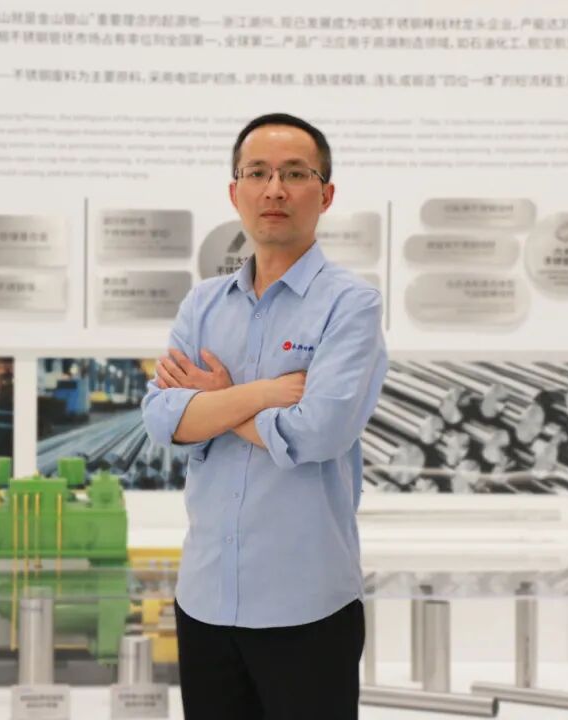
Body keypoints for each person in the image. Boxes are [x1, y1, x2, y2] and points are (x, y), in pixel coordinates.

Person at [140, 113, 389, 719]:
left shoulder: (350, 305)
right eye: (257, 173)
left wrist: (214, 402)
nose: (274, 189)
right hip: (205, 600)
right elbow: (160, 418)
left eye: (295, 174)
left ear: (325, 194)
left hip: (306, 607)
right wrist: (262, 394)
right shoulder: (203, 303)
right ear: (235, 192)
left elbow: (319, 432)